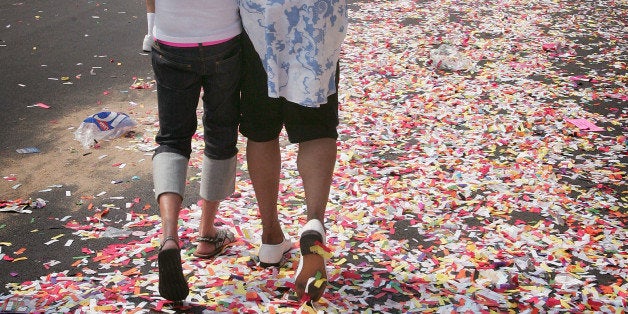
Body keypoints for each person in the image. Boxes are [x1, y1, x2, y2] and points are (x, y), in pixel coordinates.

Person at [239, 0, 348, 302]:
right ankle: (314, 222)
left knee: (262, 130)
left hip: (260, 15)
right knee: (317, 129)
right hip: (317, 14)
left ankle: (271, 236)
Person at [150, 1, 242, 302]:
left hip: (171, 36)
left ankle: (169, 236)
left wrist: (151, 25)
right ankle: (206, 234)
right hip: (223, 36)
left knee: (172, 139)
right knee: (220, 134)